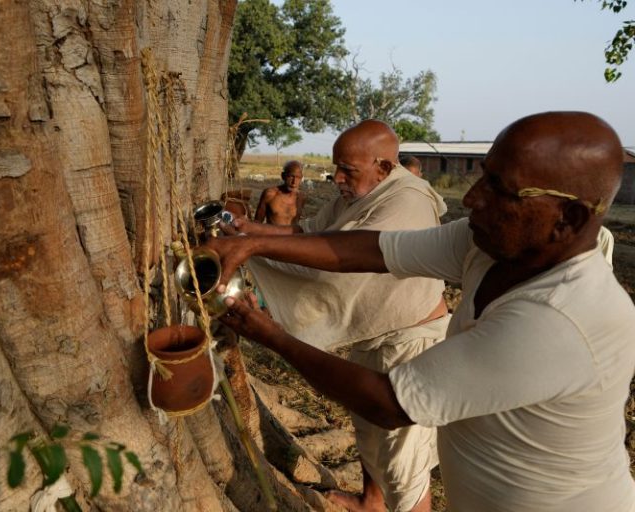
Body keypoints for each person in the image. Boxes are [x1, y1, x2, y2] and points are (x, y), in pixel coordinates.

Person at [209, 111, 635, 512]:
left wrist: (272, 335)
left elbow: (389, 402)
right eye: (482, 176)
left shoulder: (559, 319)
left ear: (569, 218)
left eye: (499, 189)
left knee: (403, 467)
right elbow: (375, 249)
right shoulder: (489, 246)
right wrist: (253, 242)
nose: (471, 198)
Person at [228, 120, 450, 512]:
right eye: (336, 168)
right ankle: (371, 501)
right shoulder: (355, 193)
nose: (338, 178)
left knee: (404, 462)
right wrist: (248, 230)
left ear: (383, 168)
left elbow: (341, 260)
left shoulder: (408, 201)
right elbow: (311, 233)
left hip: (410, 343)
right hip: (374, 333)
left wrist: (253, 247)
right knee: (367, 424)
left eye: (348, 170)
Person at [254, 160, 308, 226]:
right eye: (291, 176)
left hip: (292, 232)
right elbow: (257, 222)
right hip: (273, 232)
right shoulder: (270, 194)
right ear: (283, 176)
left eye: (298, 177)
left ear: (301, 178)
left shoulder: (301, 197)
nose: (294, 182)